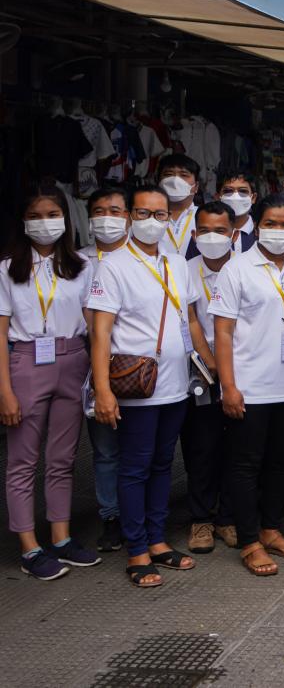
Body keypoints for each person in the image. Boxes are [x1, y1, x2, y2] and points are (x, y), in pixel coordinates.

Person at [88, 185, 216, 588]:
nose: (152, 222)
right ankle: (137, 549)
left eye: (161, 215)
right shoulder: (112, 266)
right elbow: (100, 333)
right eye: (143, 213)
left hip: (176, 385)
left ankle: (158, 541)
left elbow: (192, 320)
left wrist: (210, 367)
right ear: (130, 218)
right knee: (134, 468)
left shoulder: (178, 263)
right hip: (136, 387)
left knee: (163, 464)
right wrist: (104, 390)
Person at [208, 194, 284, 577]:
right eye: (272, 222)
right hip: (250, 386)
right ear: (257, 224)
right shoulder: (237, 270)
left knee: (279, 463)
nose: (279, 230)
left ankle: (271, 529)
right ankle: (250, 540)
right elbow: (222, 332)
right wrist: (228, 386)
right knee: (244, 464)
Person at [0, 184, 98, 580]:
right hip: (26, 361)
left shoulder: (81, 265)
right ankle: (28, 546)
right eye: (37, 216)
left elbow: (95, 324)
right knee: (22, 460)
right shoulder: (7, 268)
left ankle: (60, 537)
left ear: (66, 219)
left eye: (53, 215)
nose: (45, 223)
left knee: (63, 459)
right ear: (23, 222)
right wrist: (4, 389)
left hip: (73, 358)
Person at [182, 201, 240, 555]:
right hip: (200, 371)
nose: (212, 237)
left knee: (236, 447)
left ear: (233, 234)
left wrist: (229, 367)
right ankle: (201, 519)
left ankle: (228, 518)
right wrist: (212, 363)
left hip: (241, 369)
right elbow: (190, 322)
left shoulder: (247, 268)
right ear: (194, 234)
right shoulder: (183, 270)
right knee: (200, 447)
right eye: (205, 231)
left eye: (220, 231)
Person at [80, 187, 130, 550]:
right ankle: (111, 515)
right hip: (93, 365)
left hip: (141, 367)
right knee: (106, 448)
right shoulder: (77, 262)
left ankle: (140, 514)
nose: (107, 217)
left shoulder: (145, 258)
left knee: (143, 447)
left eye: (114, 210)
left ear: (129, 216)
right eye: (99, 211)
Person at [157, 153, 201, 256]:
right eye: (168, 174)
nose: (175, 180)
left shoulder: (206, 216)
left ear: (196, 187)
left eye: (184, 175)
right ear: (158, 181)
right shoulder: (145, 216)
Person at [216, 170, 257, 236]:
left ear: (253, 198)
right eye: (228, 191)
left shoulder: (261, 234)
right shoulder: (207, 234)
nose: (236, 196)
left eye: (243, 191)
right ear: (217, 197)